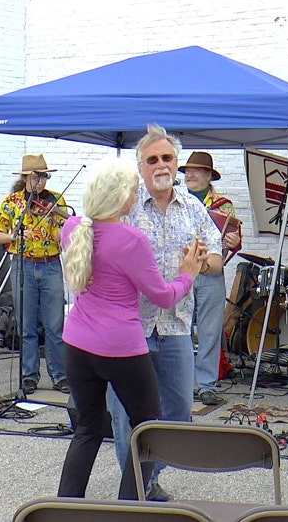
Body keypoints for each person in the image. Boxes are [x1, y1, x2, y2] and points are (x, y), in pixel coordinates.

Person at [56, 159, 205, 499]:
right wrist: (188, 273)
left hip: (77, 344)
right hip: (120, 348)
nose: (138, 193)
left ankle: (66, 504)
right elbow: (163, 296)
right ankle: (129, 507)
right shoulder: (130, 239)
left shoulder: (74, 227)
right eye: (134, 189)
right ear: (121, 198)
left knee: (87, 428)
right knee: (148, 430)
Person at [106, 125, 223, 501]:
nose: (161, 165)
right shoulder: (122, 206)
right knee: (126, 413)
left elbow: (217, 260)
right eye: (152, 159)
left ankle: (150, 474)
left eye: (167, 158)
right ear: (140, 166)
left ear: (177, 164)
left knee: (179, 409)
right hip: (129, 328)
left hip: (175, 325)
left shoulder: (193, 207)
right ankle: (136, 488)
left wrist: (200, 265)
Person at [0, 154, 71, 396]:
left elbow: (63, 233)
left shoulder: (55, 201)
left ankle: (60, 374)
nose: (41, 182)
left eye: (44, 176)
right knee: (26, 325)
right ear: (26, 177)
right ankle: (29, 376)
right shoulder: (12, 202)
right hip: (22, 264)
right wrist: (14, 237)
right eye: (37, 177)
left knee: (55, 325)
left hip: (51, 265)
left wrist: (59, 218)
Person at [179, 151, 242, 406]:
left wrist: (234, 242)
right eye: (187, 171)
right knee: (179, 328)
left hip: (211, 274)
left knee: (209, 330)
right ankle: (181, 383)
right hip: (182, 271)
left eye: (196, 171)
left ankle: (205, 385)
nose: (190, 175)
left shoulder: (223, 205)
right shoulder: (175, 200)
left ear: (208, 175)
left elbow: (233, 241)